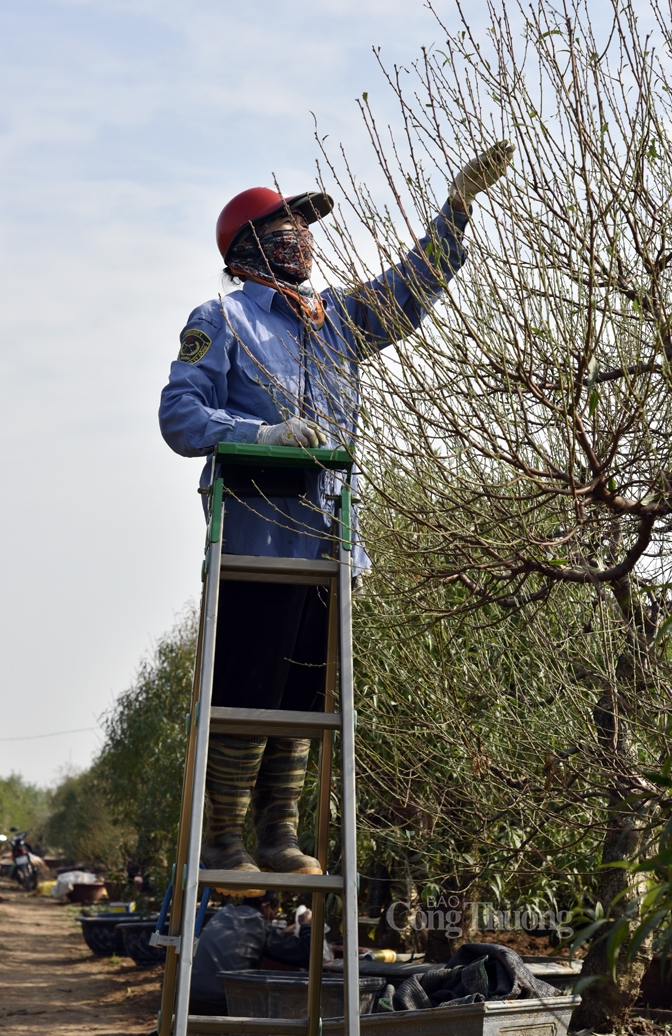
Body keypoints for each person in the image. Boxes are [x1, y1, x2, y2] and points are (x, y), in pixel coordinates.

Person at [159, 145, 513, 889]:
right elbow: (179, 414)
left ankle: (279, 831)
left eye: (305, 224)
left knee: (302, 691)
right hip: (258, 533)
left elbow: (407, 291)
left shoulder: (337, 317)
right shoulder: (221, 317)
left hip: (330, 540)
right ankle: (224, 835)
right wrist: (257, 434)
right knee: (249, 681)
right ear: (249, 243)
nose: (304, 235)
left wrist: (455, 210)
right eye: (288, 223)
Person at [190, 893, 313, 1016]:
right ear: (267, 906)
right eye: (275, 912)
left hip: (193, 996)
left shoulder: (223, 914)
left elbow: (245, 939)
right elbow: (304, 953)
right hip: (223, 1003)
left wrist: (283, 933)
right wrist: (306, 925)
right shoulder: (258, 925)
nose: (273, 918)